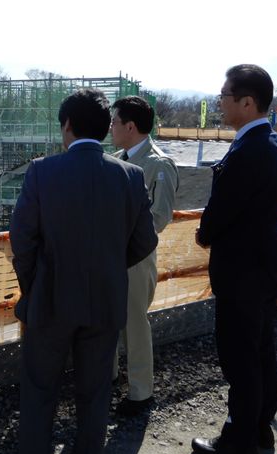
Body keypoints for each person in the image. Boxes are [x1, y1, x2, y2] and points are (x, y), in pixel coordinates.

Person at [8, 88, 158, 454]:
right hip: (104, 303)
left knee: (40, 393)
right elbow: (145, 241)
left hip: (51, 303)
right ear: (106, 128)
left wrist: (34, 285)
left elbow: (22, 241)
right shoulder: (130, 174)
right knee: (95, 397)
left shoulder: (43, 171)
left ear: (67, 126)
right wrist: (107, 267)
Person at [191, 64, 277, 454]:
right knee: (260, 350)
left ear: (247, 102)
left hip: (244, 270)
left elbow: (223, 210)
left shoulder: (249, 150)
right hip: (265, 264)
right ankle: (259, 428)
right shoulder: (271, 143)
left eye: (225, 95)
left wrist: (204, 234)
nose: (220, 102)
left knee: (240, 356)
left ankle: (238, 442)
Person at [110, 96, 179, 416]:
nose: (110, 128)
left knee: (134, 324)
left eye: (114, 122)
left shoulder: (158, 164)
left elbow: (159, 218)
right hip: (111, 256)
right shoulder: (115, 158)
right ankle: (108, 376)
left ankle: (140, 392)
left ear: (130, 126)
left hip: (136, 258)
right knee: (109, 319)